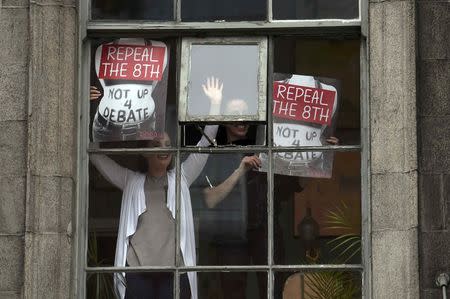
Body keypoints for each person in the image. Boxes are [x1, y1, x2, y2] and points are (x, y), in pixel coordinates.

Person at [89, 77, 223, 299]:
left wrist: (215, 104)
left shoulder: (182, 176)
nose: (164, 149)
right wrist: (91, 106)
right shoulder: (131, 181)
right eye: (156, 145)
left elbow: (206, 143)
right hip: (138, 274)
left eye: (168, 145)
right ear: (143, 152)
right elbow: (95, 155)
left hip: (173, 274)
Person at [197, 90, 338, 298]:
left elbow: (297, 183)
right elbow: (209, 199)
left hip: (267, 231)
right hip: (230, 235)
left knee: (273, 288)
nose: (243, 120)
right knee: (232, 291)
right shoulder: (216, 153)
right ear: (225, 120)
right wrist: (240, 171)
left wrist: (319, 154)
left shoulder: (270, 148)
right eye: (236, 115)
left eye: (248, 114)